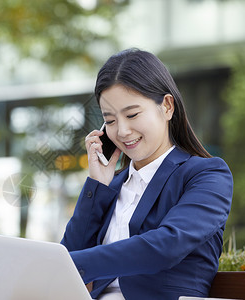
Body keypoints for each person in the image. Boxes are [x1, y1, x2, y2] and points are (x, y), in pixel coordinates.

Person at [61, 48, 233, 300]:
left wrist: (67, 263)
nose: (122, 131)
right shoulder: (112, 187)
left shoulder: (207, 175)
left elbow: (165, 246)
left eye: (132, 114)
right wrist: (96, 185)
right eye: (109, 120)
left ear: (166, 106)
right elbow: (69, 257)